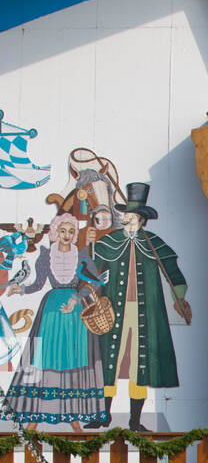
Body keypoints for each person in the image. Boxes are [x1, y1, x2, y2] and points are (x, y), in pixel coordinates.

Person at [90, 183, 190, 431]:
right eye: (124, 215)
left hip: (145, 313)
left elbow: (173, 272)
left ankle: (135, 421)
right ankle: (105, 416)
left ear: (140, 219)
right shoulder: (109, 241)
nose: (124, 218)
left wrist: (180, 295)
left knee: (140, 363)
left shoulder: (153, 242)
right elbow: (90, 269)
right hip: (113, 312)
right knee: (109, 360)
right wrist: (91, 285)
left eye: (129, 215)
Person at [4, 211, 109, 428]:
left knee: (71, 361)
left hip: (74, 317)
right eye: (63, 231)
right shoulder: (45, 255)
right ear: (55, 233)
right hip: (51, 310)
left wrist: (77, 298)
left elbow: (96, 283)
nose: (67, 235)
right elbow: (38, 284)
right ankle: (35, 418)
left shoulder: (81, 254)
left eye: (71, 231)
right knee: (43, 359)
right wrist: (20, 289)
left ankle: (73, 419)